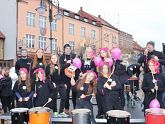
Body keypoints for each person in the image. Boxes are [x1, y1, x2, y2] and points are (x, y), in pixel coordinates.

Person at [59, 44, 77, 113]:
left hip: (73, 78)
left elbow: (78, 66)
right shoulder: (61, 57)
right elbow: (60, 67)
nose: (68, 50)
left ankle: (75, 107)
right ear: (64, 50)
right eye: (66, 48)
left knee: (74, 93)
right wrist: (67, 63)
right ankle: (66, 108)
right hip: (65, 79)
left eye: (69, 48)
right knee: (66, 94)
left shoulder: (73, 56)